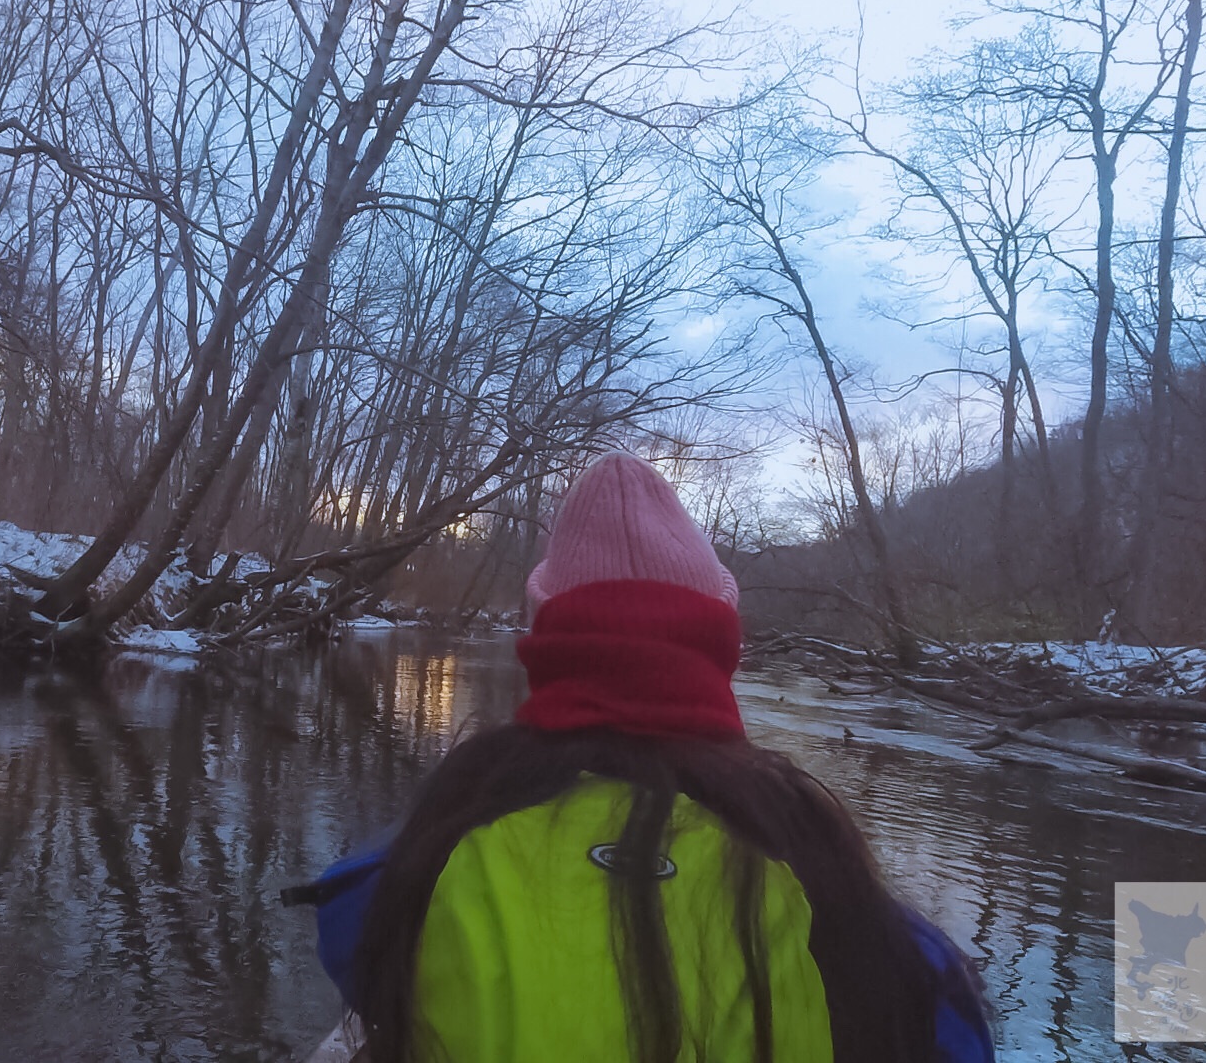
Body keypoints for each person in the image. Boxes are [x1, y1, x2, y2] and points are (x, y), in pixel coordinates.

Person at [288, 452, 993, 1063]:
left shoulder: (431, 851)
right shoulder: (838, 886)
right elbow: (952, 1023)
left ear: (546, 648)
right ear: (721, 649)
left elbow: (352, 933)